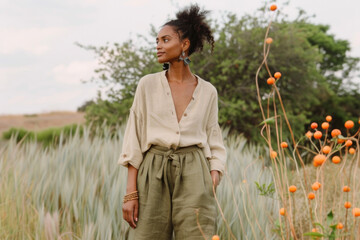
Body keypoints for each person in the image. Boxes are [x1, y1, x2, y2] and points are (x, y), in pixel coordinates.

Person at [118, 4, 226, 239]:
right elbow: (133, 137)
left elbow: (213, 136)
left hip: (195, 170)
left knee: (199, 235)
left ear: (184, 44)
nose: (158, 46)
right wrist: (130, 194)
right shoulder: (147, 85)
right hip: (152, 170)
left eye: (165, 40)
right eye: (157, 40)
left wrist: (214, 172)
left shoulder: (208, 91)